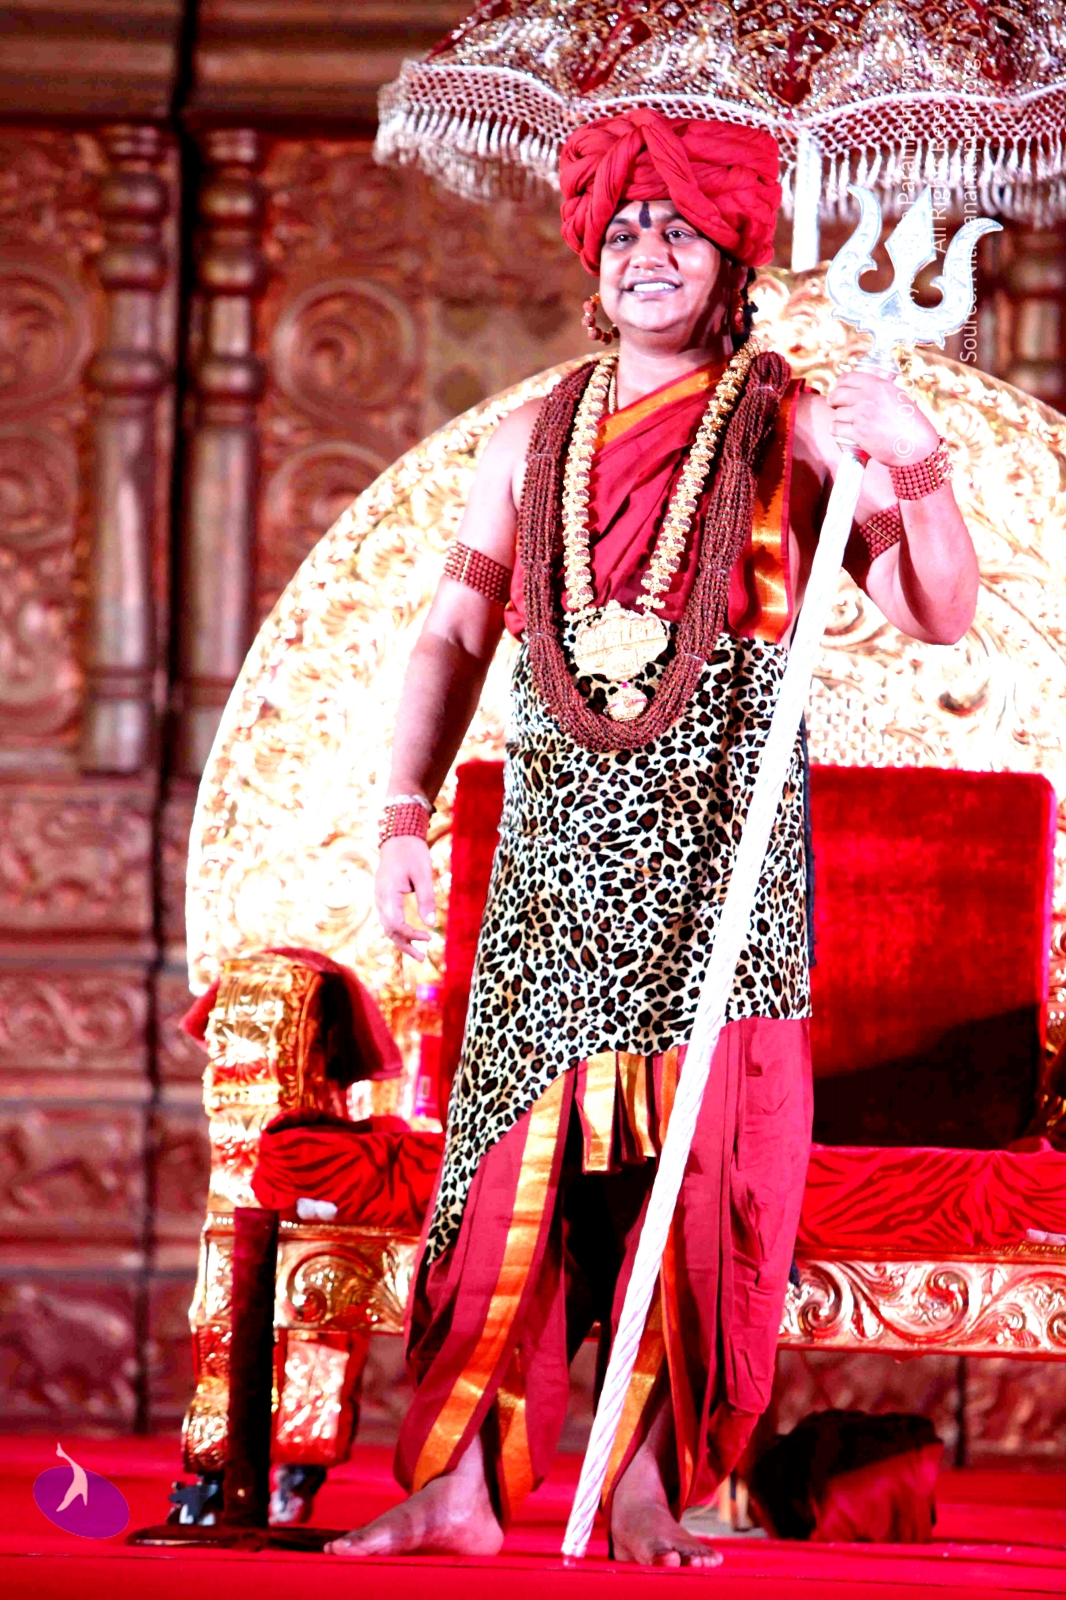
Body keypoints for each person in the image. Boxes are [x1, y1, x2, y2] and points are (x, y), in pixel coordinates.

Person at [327, 109, 978, 1565]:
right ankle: (459, 1489)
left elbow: (936, 613)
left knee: (696, 1176)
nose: (644, 252)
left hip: (723, 868)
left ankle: (641, 1483)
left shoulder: (794, 425)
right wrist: (398, 814)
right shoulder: (528, 437)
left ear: (731, 260)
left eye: (677, 229)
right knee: (510, 1178)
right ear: (590, 257)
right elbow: (451, 634)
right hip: (552, 879)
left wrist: (917, 462)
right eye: (621, 228)